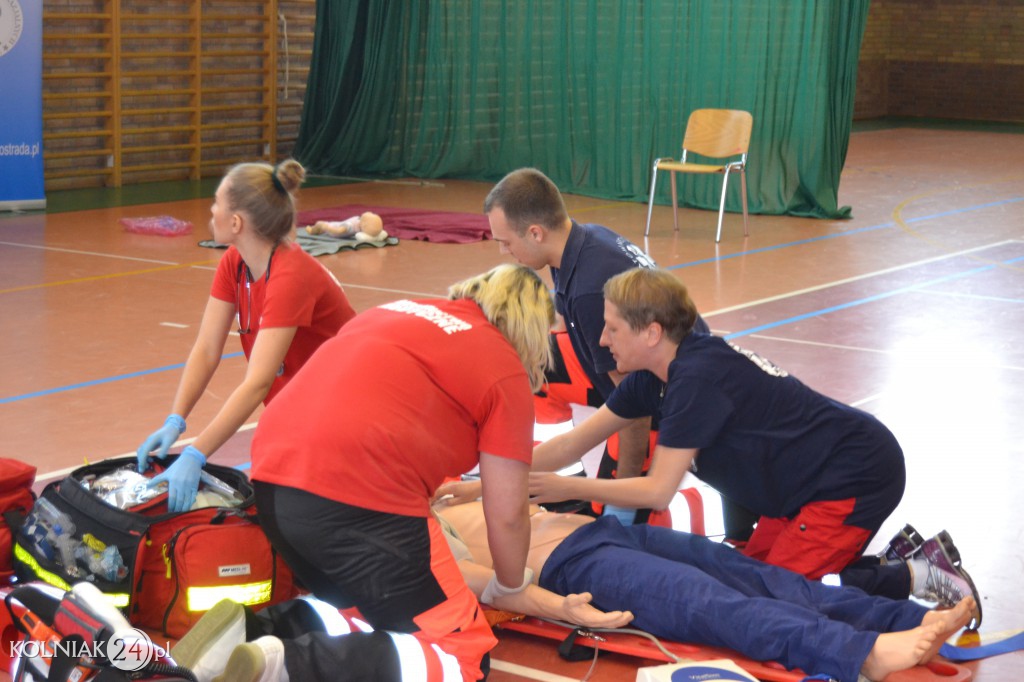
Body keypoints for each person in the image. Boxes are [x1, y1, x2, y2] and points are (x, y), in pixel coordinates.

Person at [529, 267, 982, 626]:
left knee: (774, 595)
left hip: (854, 476)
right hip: (802, 488)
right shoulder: (653, 379)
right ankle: (890, 560)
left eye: (611, 329)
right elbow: (571, 444)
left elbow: (656, 492)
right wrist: (490, 473)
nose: (602, 340)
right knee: (742, 578)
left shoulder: (696, 379)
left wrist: (563, 489)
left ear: (651, 332)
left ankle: (916, 574)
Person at [174, 503, 974, 682]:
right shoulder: (402, 520)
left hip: (599, 532)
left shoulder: (431, 469)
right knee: (718, 607)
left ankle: (904, 613)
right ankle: (867, 652)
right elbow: (470, 580)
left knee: (759, 575)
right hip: (572, 573)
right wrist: (554, 609)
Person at [244, 264, 556, 681]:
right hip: (361, 503)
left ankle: (250, 635)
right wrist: (510, 587)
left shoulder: (395, 311)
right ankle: (291, 663)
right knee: (461, 658)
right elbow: (508, 513)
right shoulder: (503, 369)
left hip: (272, 486)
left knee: (372, 616)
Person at [482, 167, 710, 525]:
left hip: (668, 404)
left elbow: (635, 409)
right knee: (528, 360)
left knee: (610, 518)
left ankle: (631, 510)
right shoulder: (582, 242)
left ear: (535, 233)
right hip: (669, 370)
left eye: (506, 242)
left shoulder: (590, 290)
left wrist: (623, 493)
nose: (503, 251)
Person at [136, 159, 356, 512]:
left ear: (236, 222)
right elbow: (207, 349)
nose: (211, 210)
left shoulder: (291, 277)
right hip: (300, 412)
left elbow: (258, 383)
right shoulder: (234, 263)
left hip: (344, 416)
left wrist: (196, 453)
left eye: (216, 203)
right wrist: (175, 420)